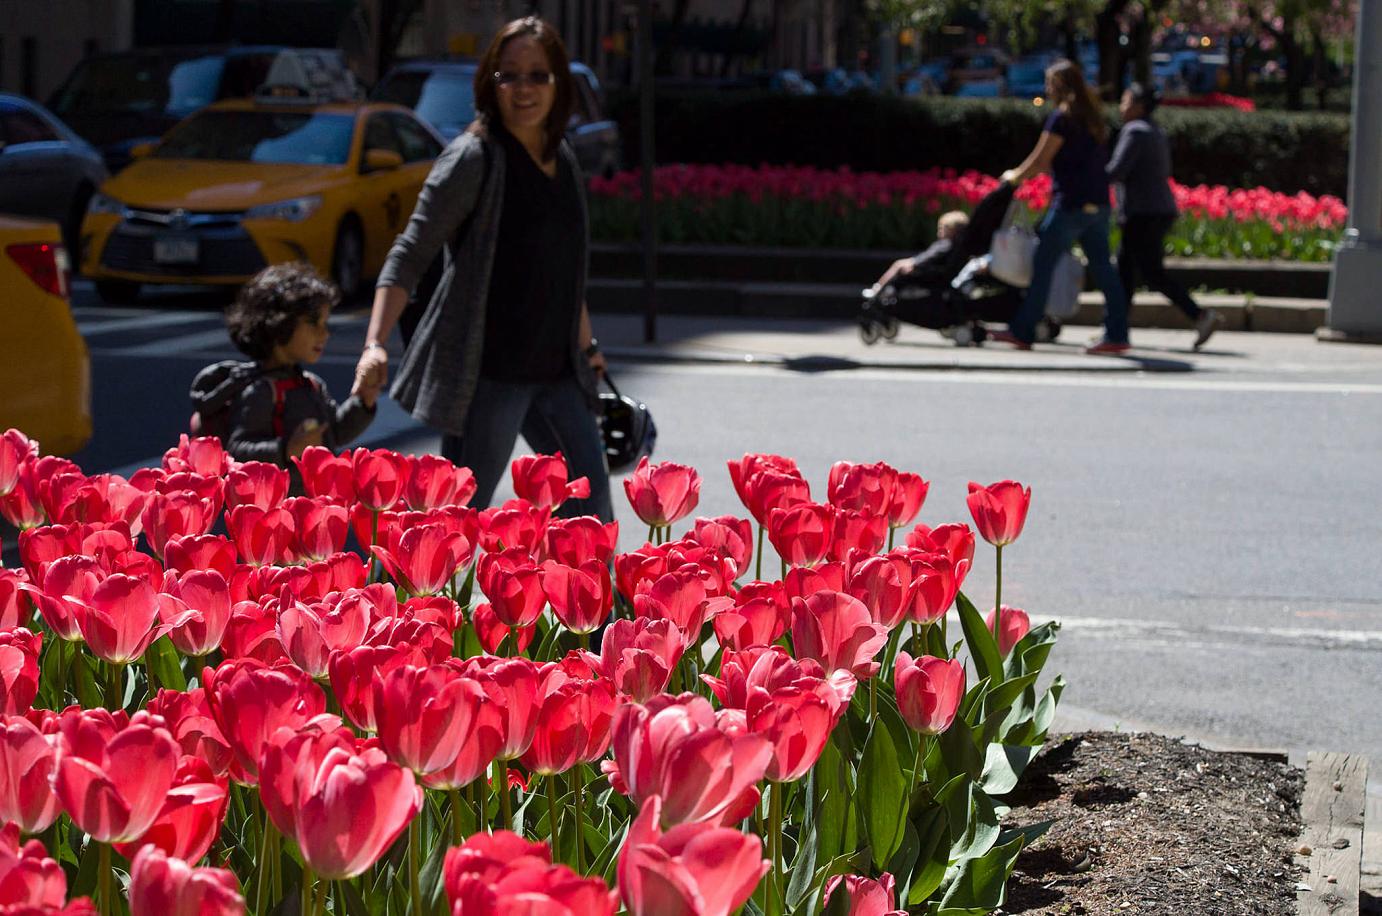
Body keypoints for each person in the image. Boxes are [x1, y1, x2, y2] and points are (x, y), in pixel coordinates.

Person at [353, 16, 612, 521]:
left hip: (558, 371)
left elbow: (564, 269)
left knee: (590, 508)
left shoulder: (561, 157)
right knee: (458, 518)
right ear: (489, 83)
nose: (523, 88)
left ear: (559, 82)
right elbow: (409, 252)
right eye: (508, 74)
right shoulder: (474, 159)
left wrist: (589, 348)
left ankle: (588, 603)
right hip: (491, 375)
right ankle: (420, 600)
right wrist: (374, 343)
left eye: (538, 75)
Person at [992, 59, 1130, 354]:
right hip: (1098, 203)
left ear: (1060, 87)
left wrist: (1013, 177)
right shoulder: (1093, 118)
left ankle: (1022, 330)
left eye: (1050, 84)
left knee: (1042, 265)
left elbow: (1041, 159)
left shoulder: (1061, 118)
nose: (1047, 89)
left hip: (1071, 204)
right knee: (1104, 269)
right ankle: (1117, 333)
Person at [190, 262, 379, 467]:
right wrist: (287, 449)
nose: (324, 334)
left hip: (314, 495)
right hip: (278, 497)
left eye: (325, 324)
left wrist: (363, 402)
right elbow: (238, 450)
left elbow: (334, 432)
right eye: (313, 323)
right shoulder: (261, 392)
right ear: (280, 325)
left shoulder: (312, 384)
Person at [1107, 82, 1222, 350]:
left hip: (1141, 212)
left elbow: (1116, 171)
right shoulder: (1153, 130)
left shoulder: (1134, 131)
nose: (1121, 107)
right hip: (1157, 210)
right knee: (1136, 271)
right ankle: (1117, 328)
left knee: (1137, 272)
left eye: (1124, 101)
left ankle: (1118, 330)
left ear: (1138, 105)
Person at [870, 210, 970, 293]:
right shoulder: (960, 245)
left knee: (900, 265)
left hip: (934, 275)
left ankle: (877, 290)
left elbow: (928, 258)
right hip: (940, 274)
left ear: (952, 230)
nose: (940, 231)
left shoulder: (946, 245)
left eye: (943, 228)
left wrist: (914, 265)